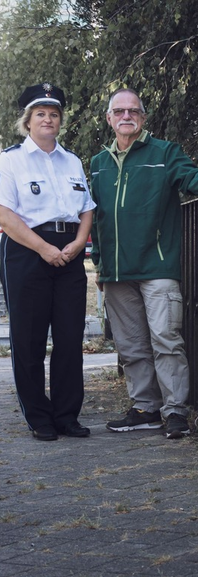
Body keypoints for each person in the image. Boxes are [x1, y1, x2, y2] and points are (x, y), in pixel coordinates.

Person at [90, 88, 198, 439]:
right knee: (131, 347)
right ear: (109, 119)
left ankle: (175, 411)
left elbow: (188, 174)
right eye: (118, 111)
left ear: (143, 117)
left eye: (133, 111)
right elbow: (98, 218)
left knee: (166, 339)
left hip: (158, 267)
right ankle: (144, 408)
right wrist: (101, 266)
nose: (126, 116)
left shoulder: (164, 152)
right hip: (117, 273)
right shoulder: (98, 163)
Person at [0, 83, 95, 441]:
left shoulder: (72, 160)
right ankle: (39, 417)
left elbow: (86, 209)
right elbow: (5, 216)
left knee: (70, 337)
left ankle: (67, 415)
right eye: (40, 113)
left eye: (54, 114)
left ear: (59, 121)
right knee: (29, 339)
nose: (48, 119)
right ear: (28, 120)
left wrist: (77, 243)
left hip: (69, 250)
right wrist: (44, 249)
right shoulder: (9, 159)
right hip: (26, 250)